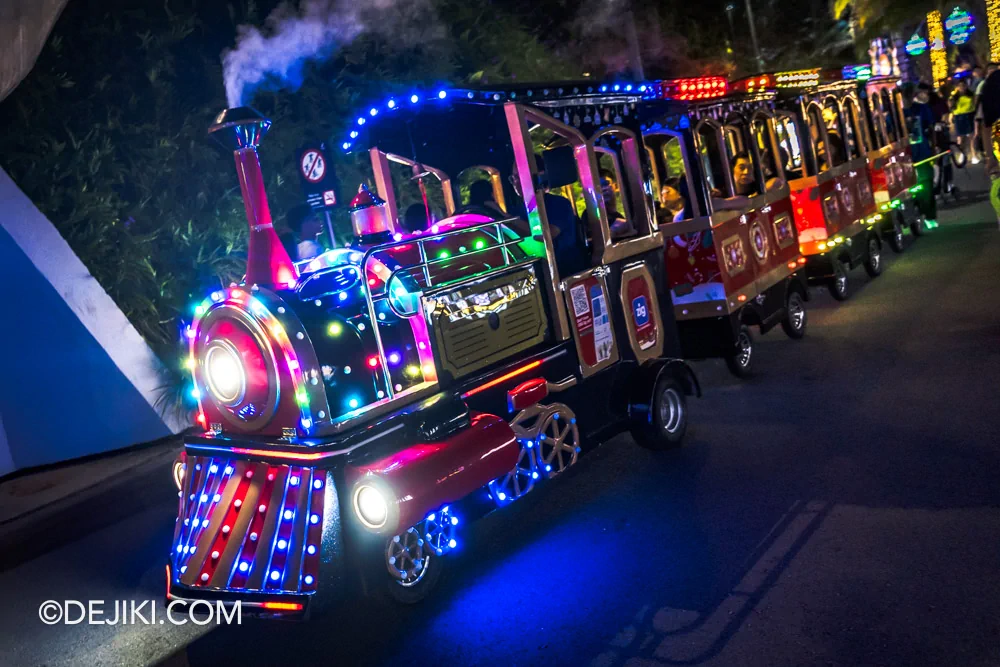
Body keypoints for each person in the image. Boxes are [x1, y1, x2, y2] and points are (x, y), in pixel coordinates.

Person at [903, 82, 938, 229]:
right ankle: (916, 215)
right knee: (910, 189)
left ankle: (930, 216)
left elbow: (931, 129)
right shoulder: (896, 113)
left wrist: (934, 148)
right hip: (905, 158)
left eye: (911, 95)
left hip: (923, 153)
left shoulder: (923, 109)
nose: (908, 98)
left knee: (927, 186)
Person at [951, 78, 977, 164]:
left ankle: (974, 155)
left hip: (969, 115)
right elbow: (951, 108)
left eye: (963, 85)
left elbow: (974, 104)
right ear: (957, 87)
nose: (962, 87)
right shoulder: (954, 97)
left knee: (971, 138)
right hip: (959, 117)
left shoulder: (971, 95)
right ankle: (962, 155)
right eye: (960, 86)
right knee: (960, 139)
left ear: (966, 86)